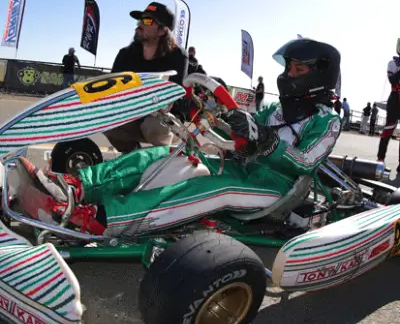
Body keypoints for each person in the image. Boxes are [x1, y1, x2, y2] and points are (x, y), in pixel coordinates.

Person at [17, 38, 342, 239]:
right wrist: (210, 113)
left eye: (297, 71)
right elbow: (243, 136)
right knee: (158, 155)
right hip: (242, 168)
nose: (287, 75)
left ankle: (99, 220)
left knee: (210, 188)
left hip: (277, 191)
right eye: (288, 69)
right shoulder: (273, 109)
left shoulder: (327, 121)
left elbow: (306, 162)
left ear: (319, 75)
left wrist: (268, 143)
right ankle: (74, 187)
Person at [105, 2, 189, 153]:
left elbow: (176, 96)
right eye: (140, 20)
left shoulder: (177, 56)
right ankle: (132, 155)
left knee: (153, 125)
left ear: (162, 30)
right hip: (132, 114)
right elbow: (112, 88)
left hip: (164, 119)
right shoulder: (125, 54)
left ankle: (162, 159)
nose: (139, 24)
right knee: (106, 120)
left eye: (147, 21)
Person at [377, 42, 400, 171]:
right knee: (388, 131)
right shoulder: (393, 63)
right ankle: (380, 160)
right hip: (395, 99)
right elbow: (393, 80)